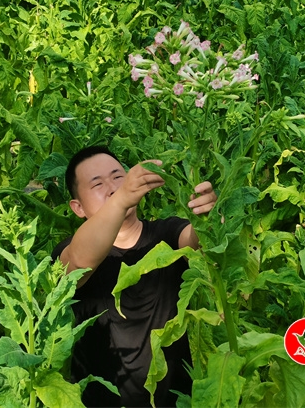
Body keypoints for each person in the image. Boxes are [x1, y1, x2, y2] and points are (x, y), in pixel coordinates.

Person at [52, 145, 217, 407]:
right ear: (78, 207)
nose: (112, 188)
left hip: (177, 401)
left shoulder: (167, 233)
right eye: (97, 184)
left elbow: (197, 245)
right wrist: (121, 199)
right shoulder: (71, 250)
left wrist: (206, 218)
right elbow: (78, 264)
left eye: (118, 177)